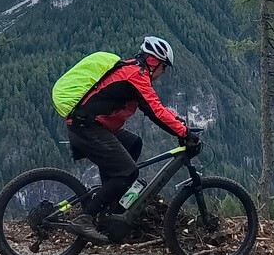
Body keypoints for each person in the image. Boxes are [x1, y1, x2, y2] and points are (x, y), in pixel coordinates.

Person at [65, 36, 197, 242]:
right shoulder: (136, 75)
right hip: (87, 127)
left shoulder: (134, 70)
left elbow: (154, 105)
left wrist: (178, 123)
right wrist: (184, 133)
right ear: (153, 61)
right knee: (128, 172)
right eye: (164, 67)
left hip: (92, 125)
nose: (164, 72)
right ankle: (85, 218)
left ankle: (110, 208)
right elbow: (155, 111)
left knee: (133, 143)